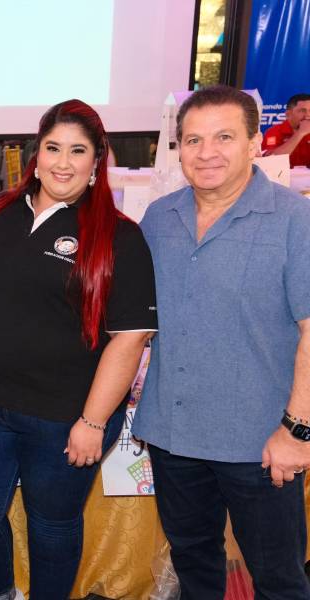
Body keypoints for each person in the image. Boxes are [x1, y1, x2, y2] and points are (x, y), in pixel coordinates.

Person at [0, 99, 157, 600]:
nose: (62, 162)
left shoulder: (119, 237)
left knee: (52, 524)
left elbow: (129, 339)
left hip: (66, 417)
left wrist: (91, 422)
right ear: (36, 154)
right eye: (52, 148)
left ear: (96, 162)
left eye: (77, 151)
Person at [133, 85, 310, 599]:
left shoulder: (294, 220)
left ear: (255, 143)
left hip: (260, 443)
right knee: (195, 568)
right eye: (193, 140)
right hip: (173, 436)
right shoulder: (159, 219)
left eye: (224, 137)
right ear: (177, 148)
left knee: (278, 579)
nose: (206, 152)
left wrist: (297, 431)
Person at [261, 93, 310, 167]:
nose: (308, 115)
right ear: (288, 114)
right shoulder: (274, 131)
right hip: (282, 177)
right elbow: (271, 160)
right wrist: (300, 133)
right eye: (302, 111)